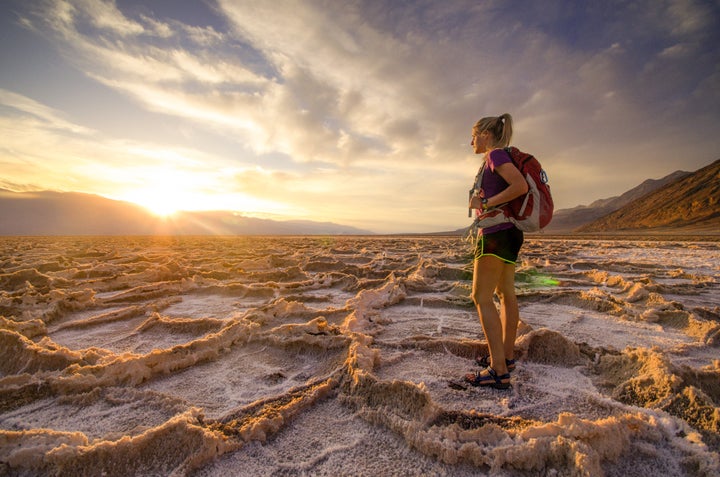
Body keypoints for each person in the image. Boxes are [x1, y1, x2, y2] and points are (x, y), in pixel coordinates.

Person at [464, 113, 528, 390]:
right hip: (508, 232)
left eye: (474, 135)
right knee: (505, 294)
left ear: (486, 135)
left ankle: (498, 369)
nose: (471, 141)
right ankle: (507, 357)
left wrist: (486, 202)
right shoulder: (498, 158)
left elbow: (520, 186)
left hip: (495, 233)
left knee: (480, 296)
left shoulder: (496, 156)